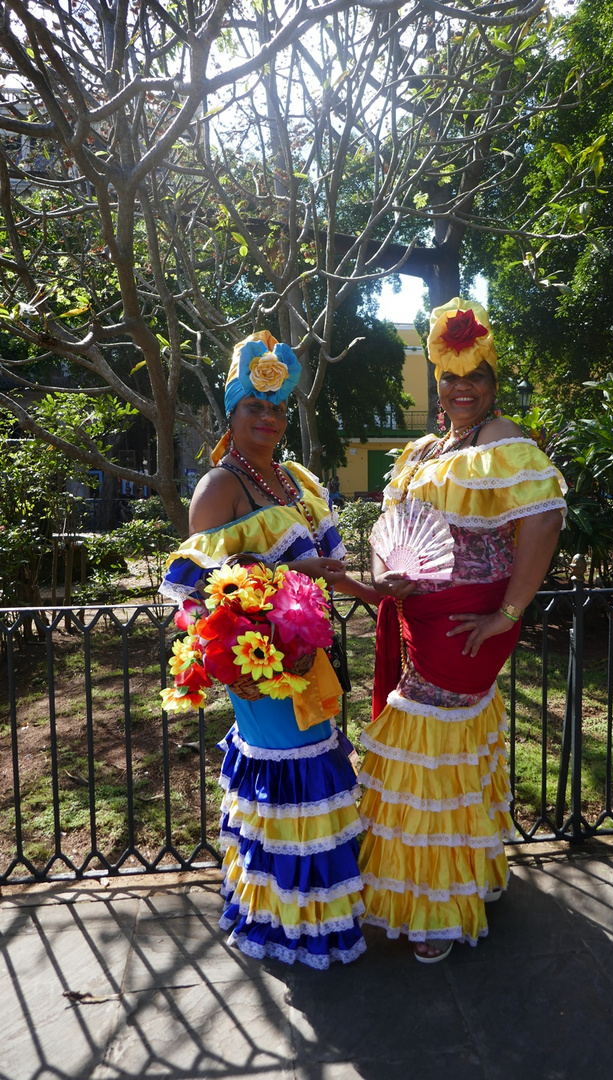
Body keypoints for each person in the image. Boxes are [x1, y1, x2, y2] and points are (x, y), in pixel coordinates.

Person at [358, 298, 566, 963]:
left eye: (475, 374)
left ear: (493, 380)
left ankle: (437, 906)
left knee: (425, 751)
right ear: (437, 381)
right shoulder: (425, 448)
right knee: (441, 752)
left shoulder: (506, 441)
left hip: (471, 626)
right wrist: (386, 576)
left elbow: (545, 520)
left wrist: (509, 613)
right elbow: (392, 533)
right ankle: (462, 875)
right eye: (451, 376)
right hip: (421, 616)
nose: (463, 388)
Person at [161, 329, 377, 969]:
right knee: (289, 778)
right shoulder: (219, 487)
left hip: (312, 655)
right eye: (255, 407)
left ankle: (320, 913)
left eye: (278, 407)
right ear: (232, 411)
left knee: (319, 768)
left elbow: (331, 567)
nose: (269, 418)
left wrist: (380, 589)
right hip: (262, 670)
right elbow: (197, 595)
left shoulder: (297, 480)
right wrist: (236, 663)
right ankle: (287, 922)